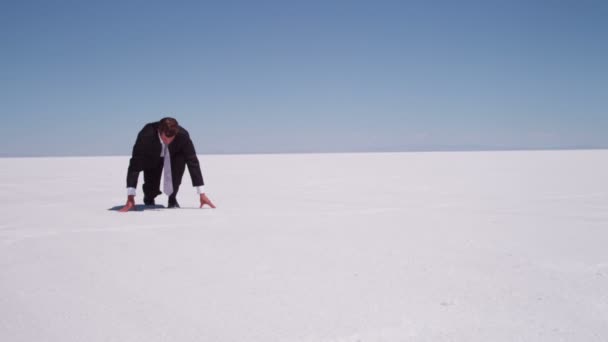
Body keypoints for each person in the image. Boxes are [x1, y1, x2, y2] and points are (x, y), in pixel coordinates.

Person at [119, 117, 216, 212]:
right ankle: (149, 197)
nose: (168, 142)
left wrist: (201, 194)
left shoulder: (183, 136)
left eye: (171, 139)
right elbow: (134, 166)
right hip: (152, 156)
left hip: (175, 156)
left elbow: (192, 162)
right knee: (151, 186)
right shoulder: (146, 135)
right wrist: (130, 197)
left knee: (176, 176)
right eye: (165, 139)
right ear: (159, 131)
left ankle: (172, 199)